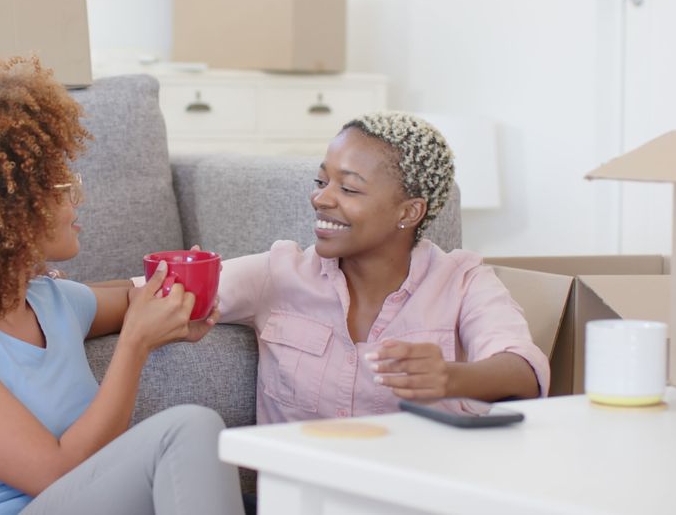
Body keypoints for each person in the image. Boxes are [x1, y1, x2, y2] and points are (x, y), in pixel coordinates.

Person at [0, 58, 245, 514]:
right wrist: (135, 344)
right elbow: (58, 473)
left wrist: (187, 300)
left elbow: (134, 296)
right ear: (9, 209)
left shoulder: (51, 303)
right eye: (61, 186)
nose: (75, 199)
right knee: (189, 429)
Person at [199, 112, 549, 425]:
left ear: (409, 212)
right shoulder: (277, 273)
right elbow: (157, 294)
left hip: (412, 490)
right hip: (298, 494)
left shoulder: (462, 281)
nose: (321, 199)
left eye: (349, 188)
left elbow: (522, 369)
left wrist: (450, 377)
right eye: (322, 182)